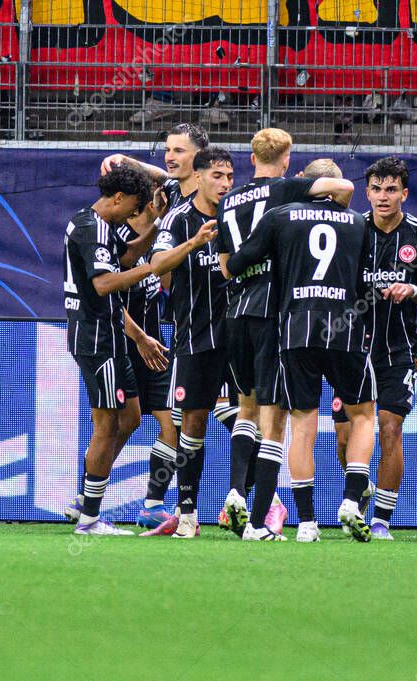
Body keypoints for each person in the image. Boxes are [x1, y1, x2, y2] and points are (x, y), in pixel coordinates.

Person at [215, 128, 356, 541]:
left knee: (246, 408)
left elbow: (226, 267)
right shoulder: (287, 189)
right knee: (273, 420)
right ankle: (256, 521)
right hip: (271, 311)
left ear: (251, 156)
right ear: (287, 157)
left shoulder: (227, 200)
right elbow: (343, 186)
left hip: (235, 311)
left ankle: (238, 492)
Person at [64, 165, 216, 535]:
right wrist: (161, 263)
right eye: (133, 205)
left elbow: (126, 256)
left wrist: (158, 225)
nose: (134, 213)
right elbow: (104, 284)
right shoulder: (91, 229)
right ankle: (88, 517)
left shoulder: (94, 224)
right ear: (118, 197)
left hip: (107, 336)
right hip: (97, 337)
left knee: (130, 415)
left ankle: (89, 504)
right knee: (107, 424)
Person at [331, 156, 417, 540]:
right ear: (368, 192)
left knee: (390, 429)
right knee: (344, 438)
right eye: (376, 189)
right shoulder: (351, 230)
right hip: (352, 348)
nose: (383, 196)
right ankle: (359, 489)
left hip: (397, 349)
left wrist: (413, 291)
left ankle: (381, 519)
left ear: (404, 193)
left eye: (391, 189)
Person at [144, 146, 234, 539]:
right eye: (217, 175)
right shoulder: (179, 219)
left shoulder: (238, 215)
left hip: (237, 336)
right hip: (194, 338)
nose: (225, 184)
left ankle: (255, 507)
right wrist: (194, 244)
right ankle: (187, 514)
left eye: (230, 177)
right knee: (192, 424)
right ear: (197, 177)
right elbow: (158, 266)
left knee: (250, 419)